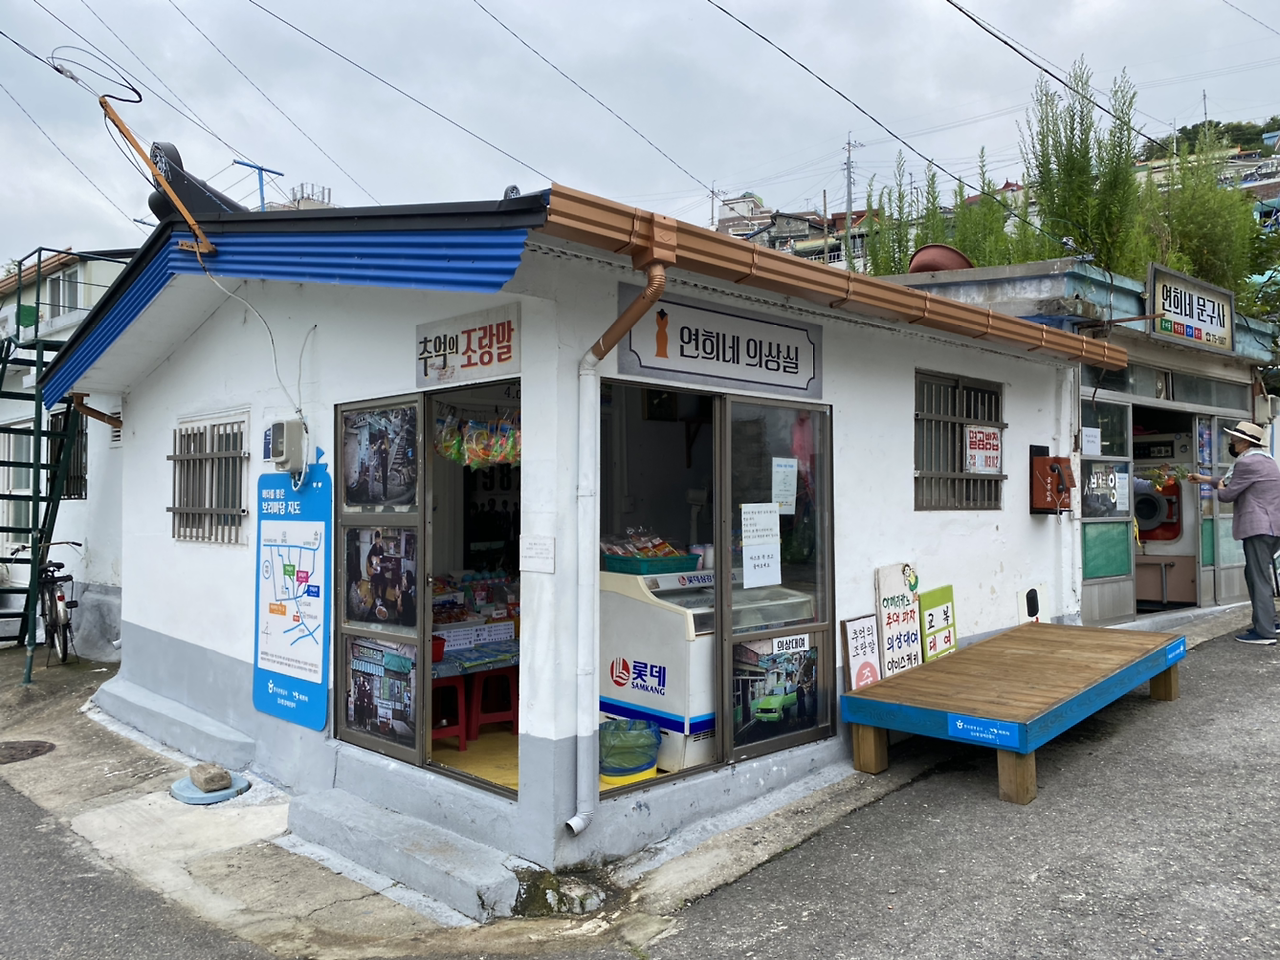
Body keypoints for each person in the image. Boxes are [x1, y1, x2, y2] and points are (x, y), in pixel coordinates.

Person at [1189, 420, 1280, 645]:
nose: (1231, 444)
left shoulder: (1246, 463)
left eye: (1234, 440)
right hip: (1273, 527)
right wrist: (1204, 479)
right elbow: (1232, 481)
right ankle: (1269, 622)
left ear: (1245, 443)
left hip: (1258, 528)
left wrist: (1219, 489)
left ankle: (1265, 632)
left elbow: (1228, 493)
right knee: (1258, 574)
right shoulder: (1267, 461)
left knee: (1258, 578)